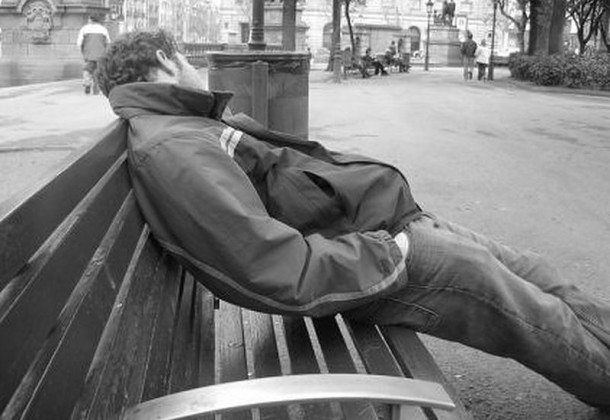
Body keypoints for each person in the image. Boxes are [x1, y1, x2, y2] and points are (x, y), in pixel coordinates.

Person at [96, 29, 610, 411]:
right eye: (184, 56)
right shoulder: (173, 147)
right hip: (374, 257)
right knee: (537, 315)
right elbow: (275, 270)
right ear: (165, 58)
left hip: (383, 223)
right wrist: (393, 252)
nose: (191, 65)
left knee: (540, 273)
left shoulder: (185, 123)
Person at [76, 14, 110, 95]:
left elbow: (79, 42)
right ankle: (97, 88)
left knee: (87, 69)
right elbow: (108, 42)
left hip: (89, 53)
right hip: (101, 54)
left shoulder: (85, 29)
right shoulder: (103, 29)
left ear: (90, 20)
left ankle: (87, 83)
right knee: (98, 71)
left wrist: (82, 51)